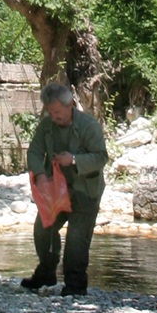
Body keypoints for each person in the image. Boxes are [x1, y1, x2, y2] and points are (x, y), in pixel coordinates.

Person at [22, 80, 108, 296]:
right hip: (57, 191)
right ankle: (46, 273)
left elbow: (101, 157)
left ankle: (76, 286)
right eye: (50, 112)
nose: (54, 117)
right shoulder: (46, 126)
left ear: (70, 106)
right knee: (43, 228)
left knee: (77, 239)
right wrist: (39, 175)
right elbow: (34, 151)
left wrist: (74, 160)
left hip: (86, 190)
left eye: (58, 112)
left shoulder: (89, 126)